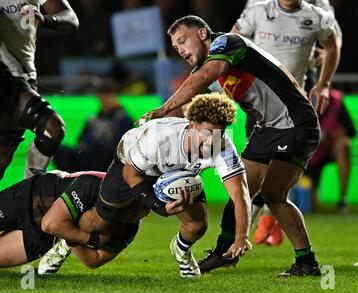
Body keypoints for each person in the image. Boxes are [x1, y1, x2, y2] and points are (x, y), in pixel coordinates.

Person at [138, 15, 323, 277]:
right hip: (267, 129)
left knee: (273, 194)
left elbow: (203, 78)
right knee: (240, 188)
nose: (180, 50)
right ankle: (225, 252)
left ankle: (307, 262)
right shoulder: (207, 70)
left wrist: (163, 108)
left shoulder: (228, 43)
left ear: (202, 33)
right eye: (175, 47)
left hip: (296, 123)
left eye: (183, 41)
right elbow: (198, 103)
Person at [40, 92, 253, 278]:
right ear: (191, 125)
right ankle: (66, 243)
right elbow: (132, 175)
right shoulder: (159, 137)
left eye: (220, 133)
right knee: (99, 225)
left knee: (198, 226)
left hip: (174, 174)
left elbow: (240, 194)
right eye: (207, 133)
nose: (212, 141)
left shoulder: (223, 146)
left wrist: (241, 237)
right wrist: (159, 207)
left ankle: (181, 251)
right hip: (130, 163)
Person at [230, 0, 341, 246]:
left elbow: (334, 42)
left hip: (294, 107)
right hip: (259, 106)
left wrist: (324, 83)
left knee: (280, 169)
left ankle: (260, 223)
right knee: (260, 170)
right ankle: (256, 224)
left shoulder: (318, 12)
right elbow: (230, 43)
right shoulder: (257, 9)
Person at [0, 169, 140, 271]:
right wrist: (91, 239)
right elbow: (51, 224)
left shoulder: (130, 227)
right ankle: (65, 239)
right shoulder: (93, 186)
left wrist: (72, 238)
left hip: (42, 237)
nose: (146, 213)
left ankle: (65, 241)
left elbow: (94, 260)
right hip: (31, 196)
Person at [0, 0, 78, 179]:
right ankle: (30, 191)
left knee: (2, 160)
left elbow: (70, 18)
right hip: (4, 78)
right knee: (52, 127)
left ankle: (25, 196)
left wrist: (43, 19)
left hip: (24, 79)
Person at [53, 79, 133, 173]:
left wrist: (95, 143)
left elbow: (119, 147)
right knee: (58, 150)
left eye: (107, 96)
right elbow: (81, 140)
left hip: (108, 160)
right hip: (91, 155)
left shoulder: (123, 119)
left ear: (115, 96)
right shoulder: (93, 118)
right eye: (101, 96)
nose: (104, 100)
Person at [306, 88, 355, 211]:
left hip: (329, 149)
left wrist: (328, 135)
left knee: (344, 144)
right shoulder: (303, 99)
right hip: (308, 151)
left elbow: (351, 131)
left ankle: (343, 199)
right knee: (310, 204)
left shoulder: (336, 101)